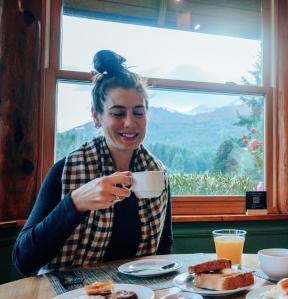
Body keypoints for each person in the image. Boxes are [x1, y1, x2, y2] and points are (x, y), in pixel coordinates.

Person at [12, 50, 172, 275]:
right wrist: (75, 203)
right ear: (96, 116)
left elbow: (164, 246)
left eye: (138, 112)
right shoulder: (66, 170)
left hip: (137, 296)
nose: (130, 123)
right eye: (118, 114)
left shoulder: (157, 173)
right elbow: (23, 260)